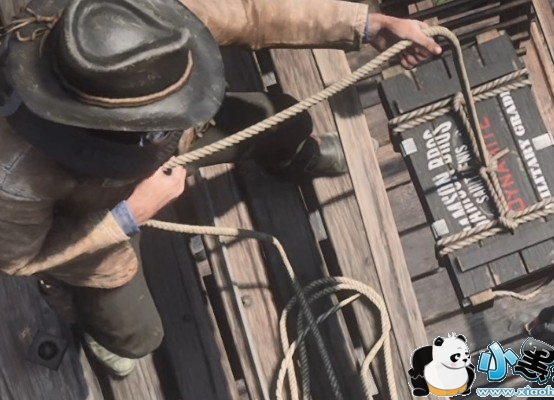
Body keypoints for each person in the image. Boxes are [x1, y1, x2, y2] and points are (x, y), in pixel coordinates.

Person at [0, 0, 442, 377]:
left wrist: (367, 25)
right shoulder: (15, 172)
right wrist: (128, 216)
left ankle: (290, 157)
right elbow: (20, 258)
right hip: (89, 218)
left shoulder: (141, 23)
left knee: (284, 119)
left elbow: (252, 13)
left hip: (170, 141)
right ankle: (85, 310)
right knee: (137, 339)